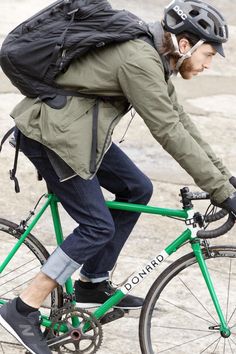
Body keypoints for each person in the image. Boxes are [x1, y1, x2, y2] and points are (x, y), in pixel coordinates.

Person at [1, 0, 236, 353]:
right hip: (53, 135)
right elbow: (168, 130)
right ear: (185, 45)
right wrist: (219, 192)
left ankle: (92, 283)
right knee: (97, 226)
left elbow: (182, 121)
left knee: (136, 188)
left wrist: (226, 180)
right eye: (208, 55)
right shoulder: (139, 60)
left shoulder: (157, 56)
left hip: (79, 128)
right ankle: (22, 309)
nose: (208, 64)